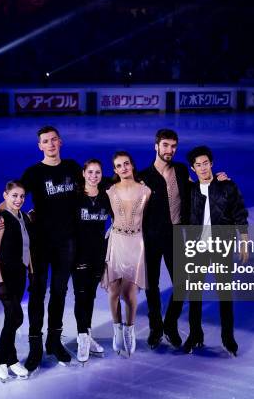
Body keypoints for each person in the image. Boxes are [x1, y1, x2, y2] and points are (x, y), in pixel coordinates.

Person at [0, 126, 81, 371]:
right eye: (45, 141)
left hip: (67, 242)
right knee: (38, 293)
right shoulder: (33, 172)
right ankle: (36, 345)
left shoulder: (72, 168)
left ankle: (53, 341)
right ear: (39, 146)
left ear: (60, 142)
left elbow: (93, 186)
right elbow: (13, 197)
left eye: (53, 140)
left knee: (60, 292)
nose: (50, 144)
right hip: (40, 242)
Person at [139, 129, 230, 350]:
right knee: (152, 285)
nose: (169, 150)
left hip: (176, 235)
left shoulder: (180, 170)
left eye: (173, 146)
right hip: (151, 237)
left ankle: (170, 324)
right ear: (156, 146)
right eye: (165, 146)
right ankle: (155, 328)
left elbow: (199, 188)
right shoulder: (144, 176)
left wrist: (218, 180)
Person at [185, 146, 249, 357]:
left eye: (205, 163)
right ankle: (195, 335)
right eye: (198, 165)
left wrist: (244, 240)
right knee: (194, 294)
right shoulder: (191, 190)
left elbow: (239, 212)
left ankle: (228, 338)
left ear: (211, 163)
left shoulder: (226, 186)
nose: (202, 168)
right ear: (193, 169)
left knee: (224, 293)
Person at [101, 151, 151, 357]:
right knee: (114, 290)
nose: (123, 168)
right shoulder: (110, 190)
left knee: (130, 294)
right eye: (119, 166)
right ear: (115, 170)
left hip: (136, 243)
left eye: (126, 164)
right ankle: (117, 331)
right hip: (116, 241)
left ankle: (129, 331)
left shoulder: (146, 191)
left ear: (132, 165)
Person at [0, 180, 32, 381]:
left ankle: (11, 358)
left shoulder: (23, 217)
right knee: (16, 317)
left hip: (20, 274)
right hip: (4, 275)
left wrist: (31, 270)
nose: (18, 200)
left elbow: (27, 246)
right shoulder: (1, 219)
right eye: (14, 195)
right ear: (5, 196)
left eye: (22, 196)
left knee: (11, 317)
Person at [73, 159, 111, 362]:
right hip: (79, 254)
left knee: (90, 297)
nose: (94, 176)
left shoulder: (107, 197)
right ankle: (82, 337)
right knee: (80, 297)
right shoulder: (76, 198)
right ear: (83, 173)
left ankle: (86, 334)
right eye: (90, 172)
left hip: (99, 255)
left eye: (98, 172)